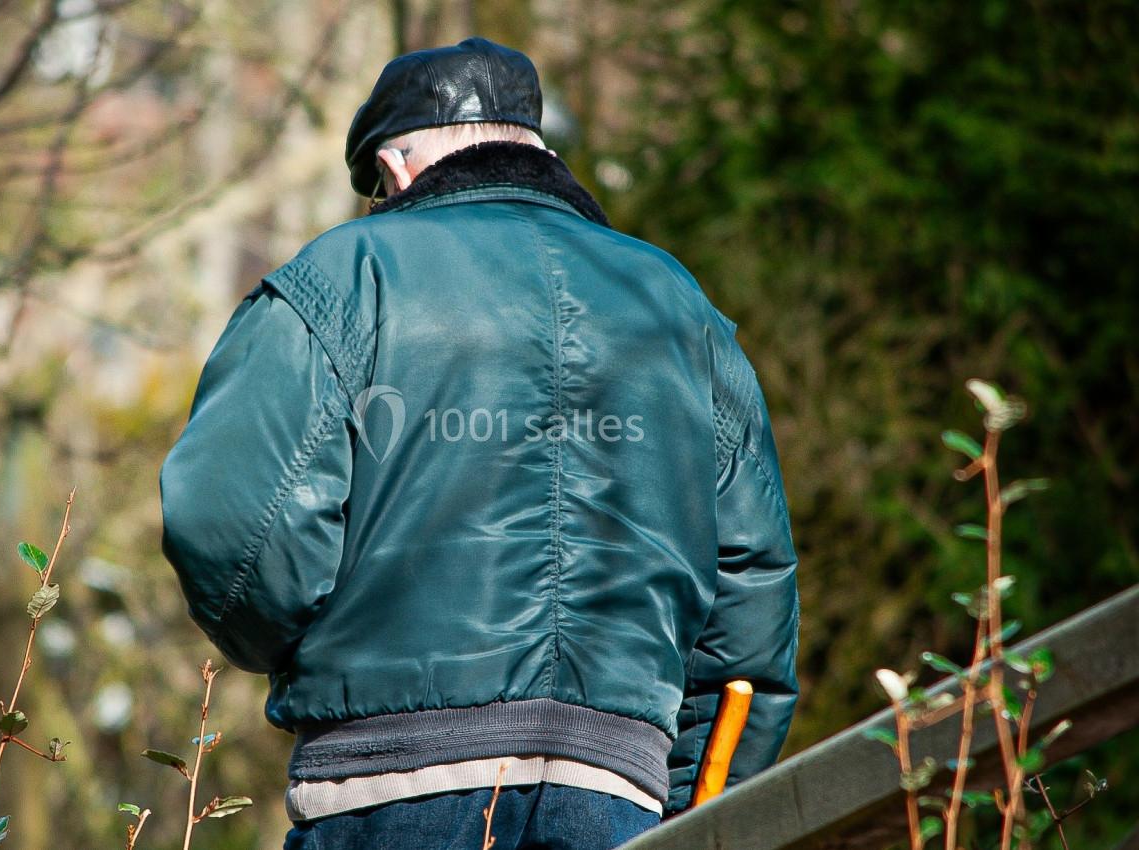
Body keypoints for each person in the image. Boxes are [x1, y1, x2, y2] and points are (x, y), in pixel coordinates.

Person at [159, 36, 799, 850]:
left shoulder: (342, 277)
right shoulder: (677, 304)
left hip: (389, 785)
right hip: (616, 789)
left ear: (392, 169)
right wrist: (692, 802)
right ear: (539, 150)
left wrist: (293, 644)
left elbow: (231, 529)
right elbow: (750, 588)